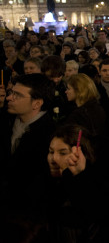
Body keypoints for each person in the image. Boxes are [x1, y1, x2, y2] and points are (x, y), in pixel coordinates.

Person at [0, 74, 55, 219]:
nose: (9, 98)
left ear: (36, 103)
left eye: (17, 95)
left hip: (25, 215)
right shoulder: (5, 118)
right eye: (11, 92)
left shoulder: (51, 135)